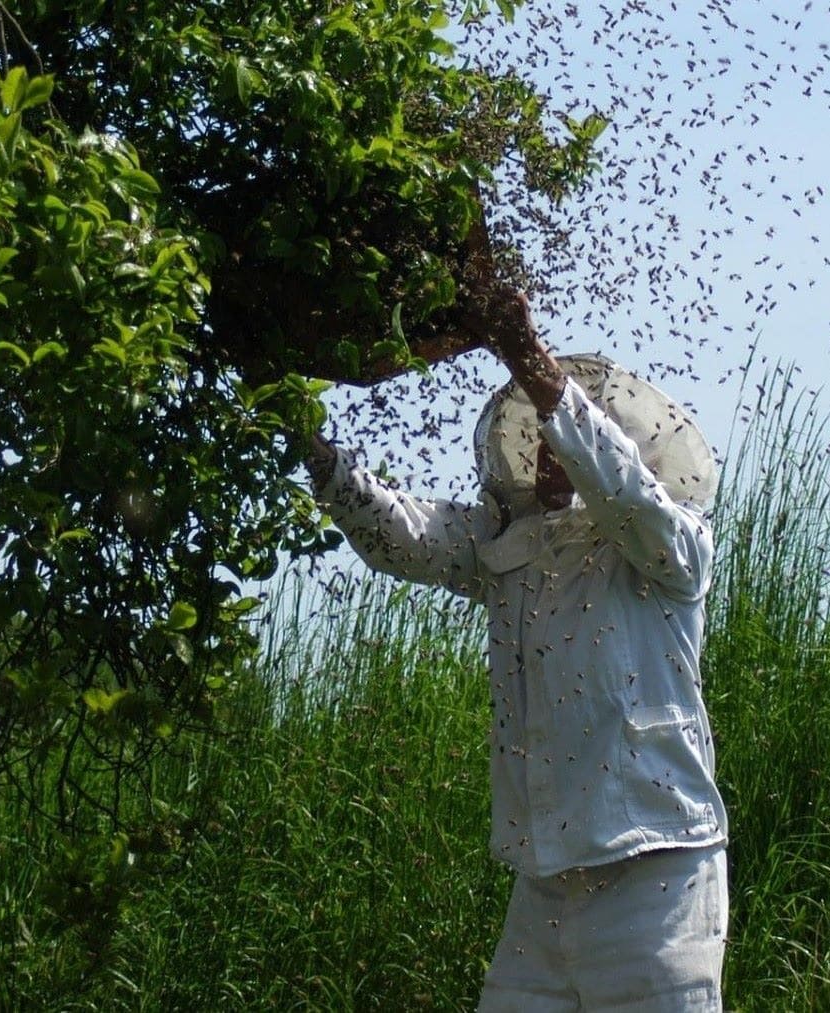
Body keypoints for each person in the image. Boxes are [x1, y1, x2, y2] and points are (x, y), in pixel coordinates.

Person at [305, 292, 727, 1011]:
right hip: (543, 885)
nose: (547, 448)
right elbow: (403, 535)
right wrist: (310, 448)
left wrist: (530, 357)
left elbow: (626, 495)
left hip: (657, 879)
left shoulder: (672, 545)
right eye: (538, 433)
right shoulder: (512, 544)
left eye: (562, 432)